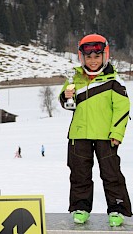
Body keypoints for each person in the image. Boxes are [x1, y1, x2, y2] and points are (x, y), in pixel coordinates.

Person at [59, 33, 131, 227]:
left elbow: (123, 109)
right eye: (88, 57)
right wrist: (66, 96)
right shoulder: (75, 78)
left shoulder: (114, 80)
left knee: (111, 173)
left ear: (105, 55)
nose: (92, 61)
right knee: (79, 174)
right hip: (79, 135)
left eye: (97, 56)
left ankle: (116, 208)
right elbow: (67, 105)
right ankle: (80, 207)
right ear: (81, 57)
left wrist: (117, 133)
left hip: (106, 136)